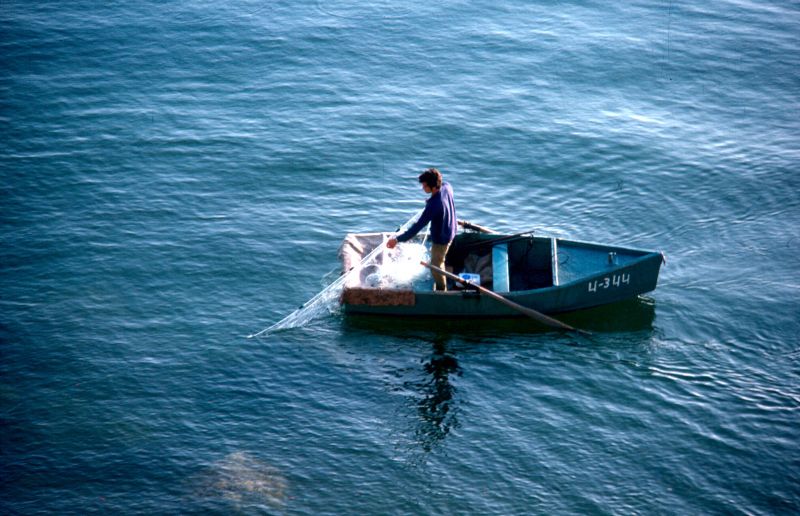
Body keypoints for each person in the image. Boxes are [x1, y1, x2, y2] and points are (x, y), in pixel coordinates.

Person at [387, 168, 457, 291]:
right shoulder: (447, 186)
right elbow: (443, 201)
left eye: (425, 186)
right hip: (451, 228)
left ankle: (442, 290)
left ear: (433, 187)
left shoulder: (433, 205)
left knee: (435, 265)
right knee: (440, 258)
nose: (423, 188)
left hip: (442, 239)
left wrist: (397, 240)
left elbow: (416, 228)